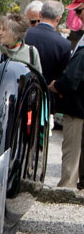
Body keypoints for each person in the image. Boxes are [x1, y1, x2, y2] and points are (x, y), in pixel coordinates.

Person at [49, 45, 84, 189]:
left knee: (72, 150)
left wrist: (55, 85)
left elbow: (70, 80)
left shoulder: (82, 54)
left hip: (77, 108)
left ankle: (66, 187)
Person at [24, 0, 70, 84]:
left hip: (22, 89)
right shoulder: (64, 44)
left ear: (40, 14)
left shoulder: (23, 35)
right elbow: (63, 75)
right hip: (47, 92)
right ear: (58, 18)